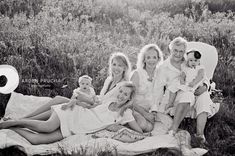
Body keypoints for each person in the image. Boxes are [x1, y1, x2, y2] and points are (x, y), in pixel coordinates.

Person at [0, 81, 143, 145]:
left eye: (126, 94)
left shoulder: (126, 113)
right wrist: (76, 101)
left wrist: (120, 128)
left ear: (130, 98)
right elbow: (90, 108)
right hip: (76, 114)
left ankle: (12, 127)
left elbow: (139, 132)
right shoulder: (107, 102)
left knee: (37, 140)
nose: (121, 95)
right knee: (47, 127)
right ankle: (13, 122)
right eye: (121, 92)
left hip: (78, 128)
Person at [20, 52, 131, 120]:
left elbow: (115, 105)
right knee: (59, 99)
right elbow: (103, 97)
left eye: (120, 65)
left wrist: (88, 100)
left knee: (60, 107)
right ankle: (27, 117)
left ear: (125, 68)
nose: (116, 68)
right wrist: (94, 98)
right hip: (94, 104)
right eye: (114, 64)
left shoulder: (124, 85)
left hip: (97, 112)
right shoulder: (109, 80)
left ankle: (25, 120)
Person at [153, 37, 217, 143]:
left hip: (196, 89)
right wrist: (156, 107)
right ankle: (173, 129)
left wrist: (205, 86)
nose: (178, 54)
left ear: (185, 51)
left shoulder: (189, 60)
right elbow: (158, 89)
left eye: (181, 51)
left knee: (204, 97)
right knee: (188, 96)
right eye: (175, 50)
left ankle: (200, 134)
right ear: (170, 50)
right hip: (178, 94)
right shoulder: (164, 68)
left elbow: (204, 76)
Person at [131, 44, 163, 132]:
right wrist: (144, 113)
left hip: (151, 110)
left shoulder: (160, 74)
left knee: (153, 128)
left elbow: (157, 97)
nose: (151, 60)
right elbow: (130, 99)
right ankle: (128, 123)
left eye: (154, 57)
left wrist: (154, 111)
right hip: (135, 109)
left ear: (158, 59)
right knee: (143, 125)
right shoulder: (137, 74)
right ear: (144, 59)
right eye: (148, 57)